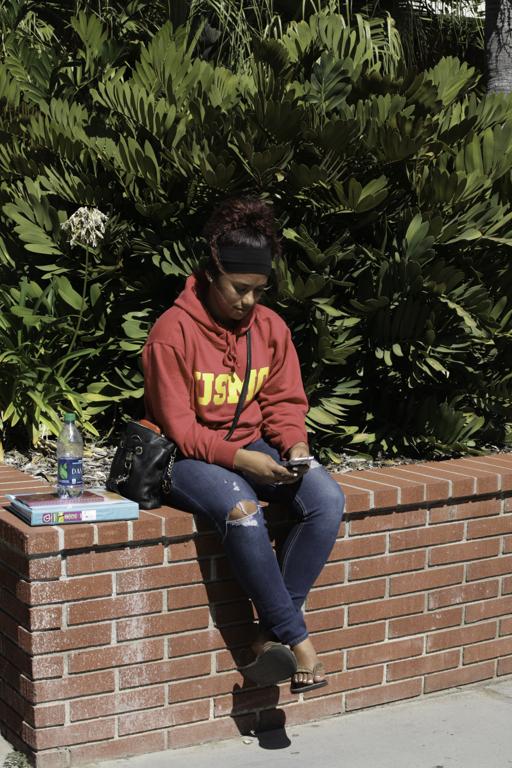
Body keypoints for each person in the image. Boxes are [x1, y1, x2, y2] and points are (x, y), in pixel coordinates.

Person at [142, 197, 345, 693]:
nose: (250, 301)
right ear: (212, 274)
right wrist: (240, 459)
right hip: (185, 458)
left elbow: (284, 403)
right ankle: (298, 643)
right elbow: (181, 428)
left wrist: (294, 447)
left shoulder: (271, 328)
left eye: (260, 290)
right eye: (240, 288)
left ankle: (266, 635)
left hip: (252, 446)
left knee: (326, 499)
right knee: (241, 507)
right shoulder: (172, 333)